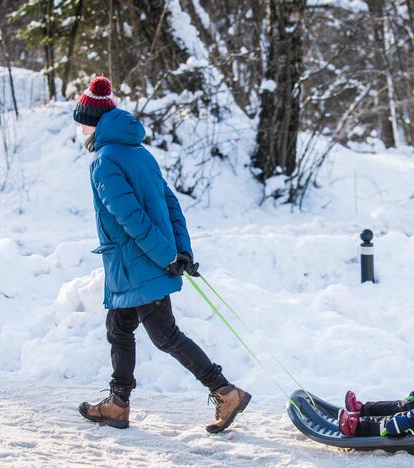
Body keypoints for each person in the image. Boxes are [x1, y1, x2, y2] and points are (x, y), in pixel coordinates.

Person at [73, 76, 251, 432]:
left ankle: (225, 391)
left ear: (92, 123)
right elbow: (171, 205)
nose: (78, 129)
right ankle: (117, 404)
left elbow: (130, 218)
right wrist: (181, 250)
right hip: (139, 262)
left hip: (137, 262)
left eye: (80, 122)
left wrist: (167, 256)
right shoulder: (140, 153)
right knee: (119, 328)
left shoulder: (104, 161)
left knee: (165, 335)